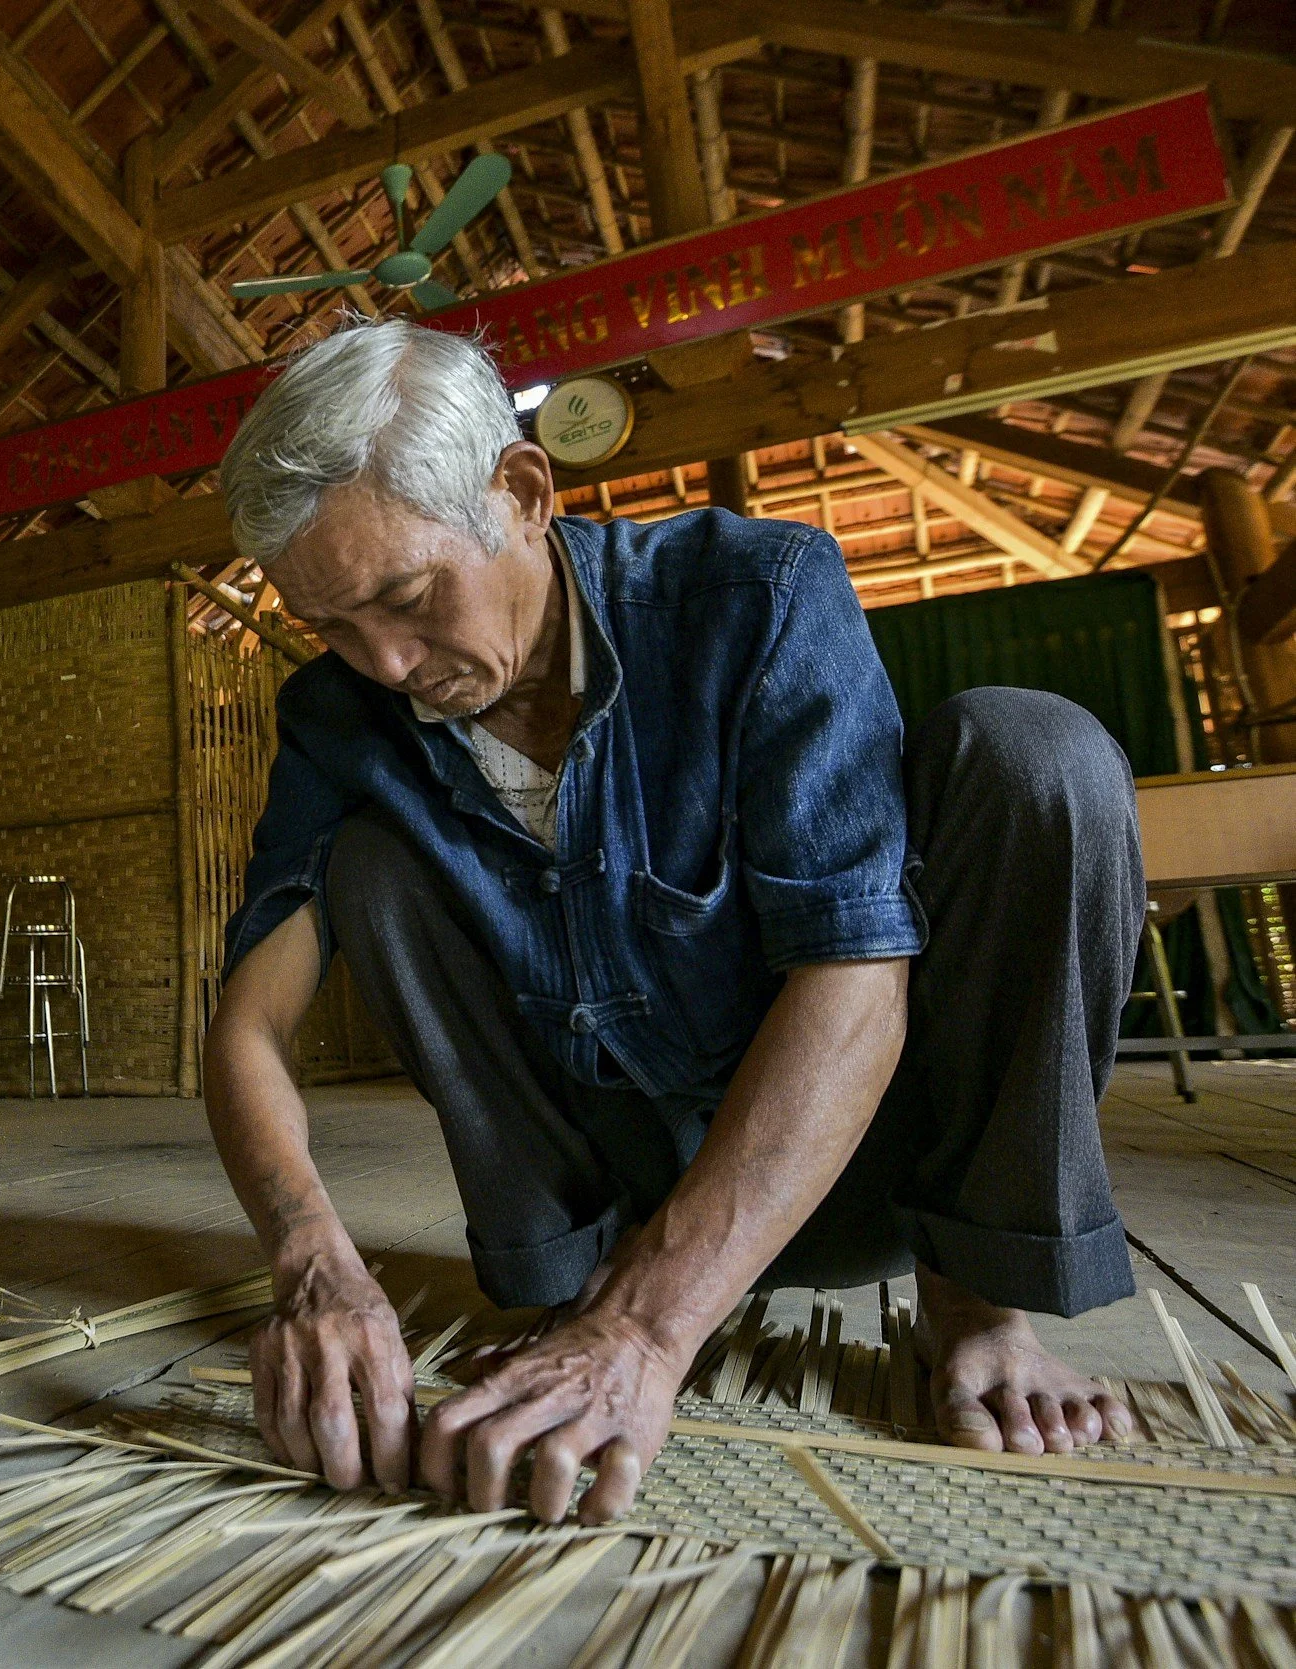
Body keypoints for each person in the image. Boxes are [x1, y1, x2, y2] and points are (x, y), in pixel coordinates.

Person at [203, 319, 1142, 1527]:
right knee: (375, 862)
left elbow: (857, 971)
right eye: (334, 625)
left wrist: (647, 1329)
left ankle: (979, 1307)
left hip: (853, 1164)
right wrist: (312, 1262)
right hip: (626, 1193)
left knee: (1035, 754)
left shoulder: (756, 597)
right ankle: (566, 1286)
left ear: (524, 492)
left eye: (407, 594)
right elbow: (249, 1027)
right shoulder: (340, 718)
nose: (385, 660)